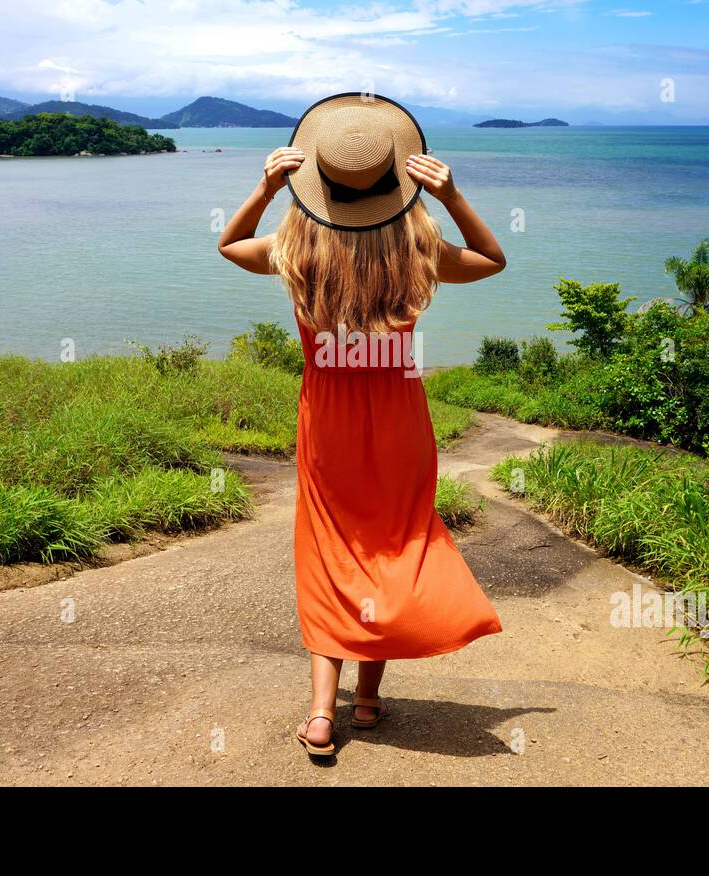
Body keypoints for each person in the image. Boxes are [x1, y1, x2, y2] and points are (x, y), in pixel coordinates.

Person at [217, 92, 508, 757]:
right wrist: (456, 197)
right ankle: (370, 701)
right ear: (396, 183)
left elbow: (230, 244)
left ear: (318, 184)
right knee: (388, 548)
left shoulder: (297, 243)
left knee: (329, 554)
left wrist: (264, 187)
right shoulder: (418, 245)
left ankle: (324, 715)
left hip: (329, 422)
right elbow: (492, 260)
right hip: (401, 420)